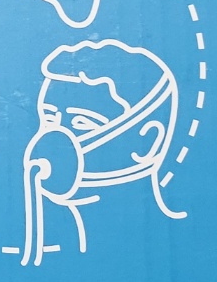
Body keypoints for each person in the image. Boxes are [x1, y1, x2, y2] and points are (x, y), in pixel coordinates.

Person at [21, 39, 183, 266]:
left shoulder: (181, 254)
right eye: (50, 120)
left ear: (148, 142)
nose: (56, 139)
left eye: (81, 124)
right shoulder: (57, 252)